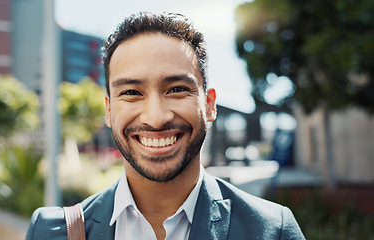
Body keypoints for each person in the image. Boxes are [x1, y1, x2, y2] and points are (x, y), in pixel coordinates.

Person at [26, 12, 305, 240]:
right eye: (132, 93)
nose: (156, 118)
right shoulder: (52, 232)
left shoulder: (272, 230)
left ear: (209, 105)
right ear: (109, 110)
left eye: (176, 89)